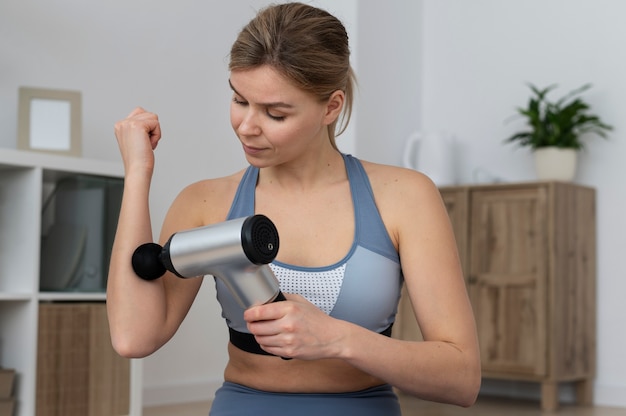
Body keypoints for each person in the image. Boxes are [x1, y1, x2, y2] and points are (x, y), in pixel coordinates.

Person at [107, 2, 481, 415]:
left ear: (331, 107)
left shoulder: (404, 196)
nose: (247, 126)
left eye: (275, 113)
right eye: (239, 100)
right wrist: (137, 174)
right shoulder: (206, 202)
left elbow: (461, 378)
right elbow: (133, 338)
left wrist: (338, 338)